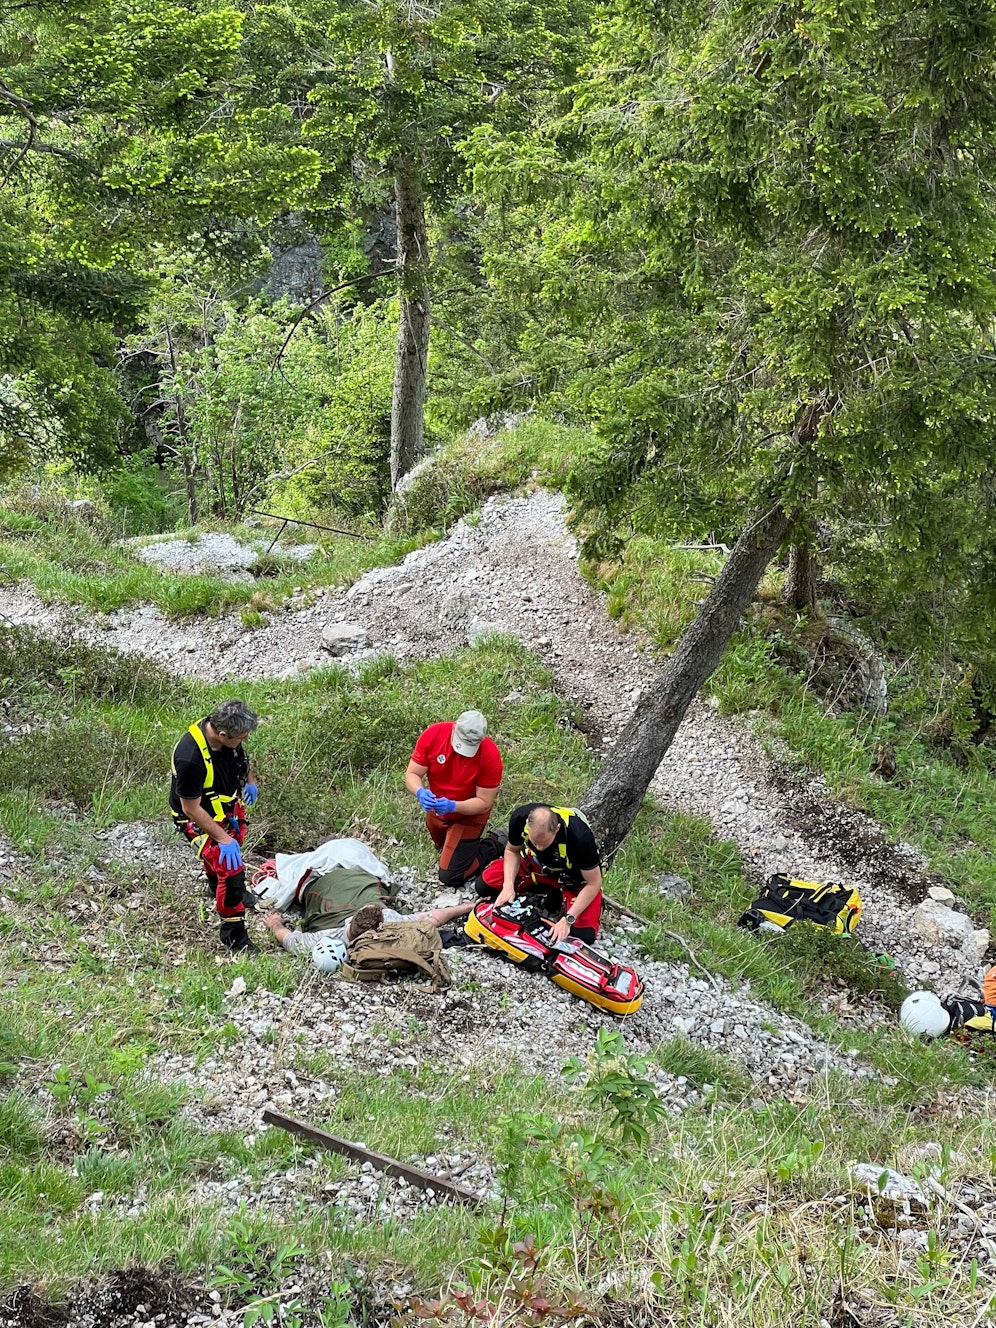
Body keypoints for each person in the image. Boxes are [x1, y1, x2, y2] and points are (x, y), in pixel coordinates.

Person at [169, 699, 260, 954]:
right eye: (242, 736)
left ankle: (217, 885)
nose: (245, 740)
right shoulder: (190, 757)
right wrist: (221, 838)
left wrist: (249, 781)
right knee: (231, 871)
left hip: (225, 809)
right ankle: (235, 937)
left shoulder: (228, 738)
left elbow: (241, 757)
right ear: (222, 734)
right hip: (197, 817)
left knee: (226, 860)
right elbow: (190, 808)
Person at [476, 803, 604, 944]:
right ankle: (539, 889)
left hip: (572, 879)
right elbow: (512, 850)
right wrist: (508, 886)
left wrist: (568, 919)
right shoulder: (520, 818)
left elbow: (594, 883)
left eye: (543, 843)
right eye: (535, 842)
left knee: (583, 935)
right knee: (485, 885)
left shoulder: (580, 837)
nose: (539, 847)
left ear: (557, 829)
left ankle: (565, 898)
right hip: (537, 866)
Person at [404, 710, 504, 887]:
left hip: (468, 816)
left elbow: (483, 803)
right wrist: (420, 792)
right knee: (441, 844)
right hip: (438, 810)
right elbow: (412, 773)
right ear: (454, 728)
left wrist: (453, 806)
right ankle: (451, 839)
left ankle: (496, 842)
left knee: (450, 876)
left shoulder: (490, 755)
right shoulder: (434, 735)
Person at [262, 898, 473, 956]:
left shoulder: (325, 941)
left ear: (350, 921)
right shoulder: (393, 922)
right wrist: (466, 907)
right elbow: (432, 918)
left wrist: (275, 923)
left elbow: (288, 939)